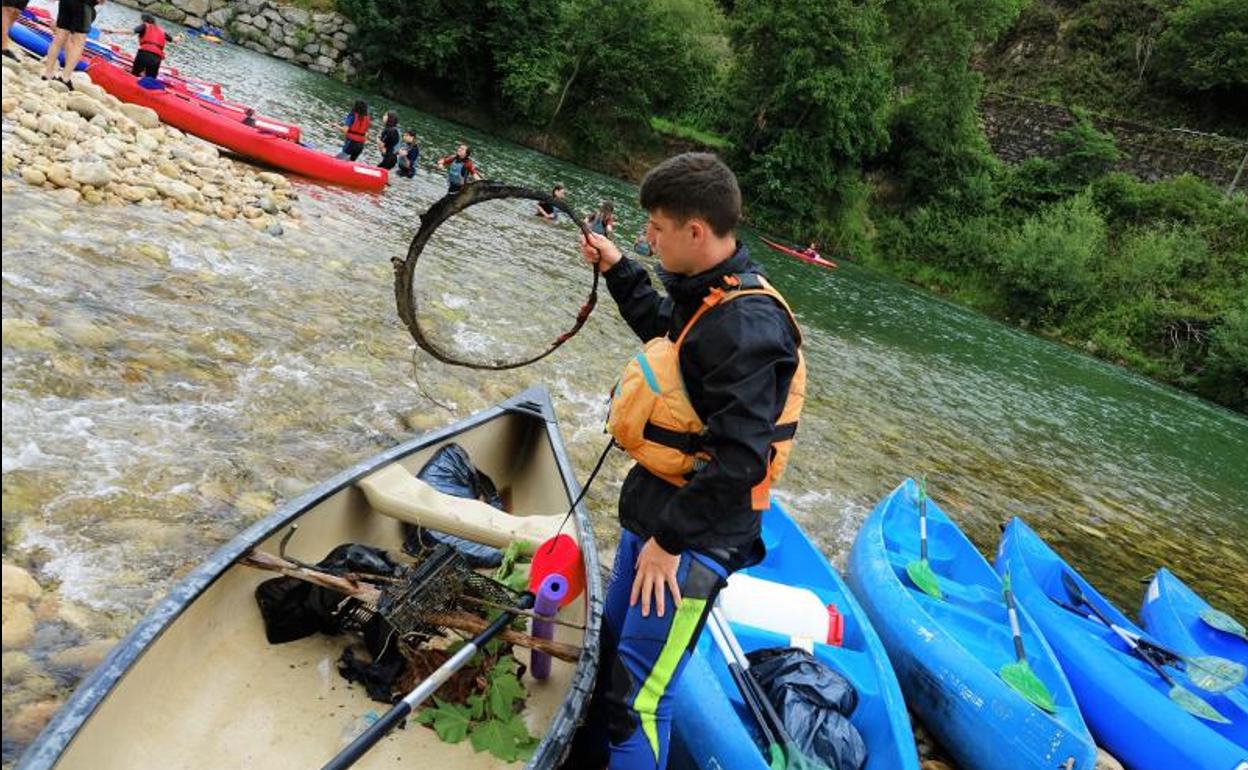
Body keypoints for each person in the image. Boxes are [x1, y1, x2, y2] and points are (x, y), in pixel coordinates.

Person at [568, 152, 805, 770]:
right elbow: (667, 340)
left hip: (689, 543)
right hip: (656, 517)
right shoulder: (709, 295)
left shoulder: (748, 327)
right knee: (611, 659)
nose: (647, 237)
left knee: (639, 701)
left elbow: (741, 463)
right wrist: (621, 269)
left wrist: (668, 543)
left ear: (695, 232)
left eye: (656, 228)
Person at [41, 0, 103, 86]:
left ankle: (47, 73)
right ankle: (65, 77)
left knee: (59, 38)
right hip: (83, 5)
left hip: (66, 2)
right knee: (78, 42)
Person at [128, 13, 166, 78]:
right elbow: (174, 40)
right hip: (157, 57)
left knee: (134, 75)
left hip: (144, 53)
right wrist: (180, 36)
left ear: (144, 20)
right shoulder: (162, 31)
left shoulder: (144, 26)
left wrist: (112, 31)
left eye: (140, 20)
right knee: (150, 78)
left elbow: (131, 31)